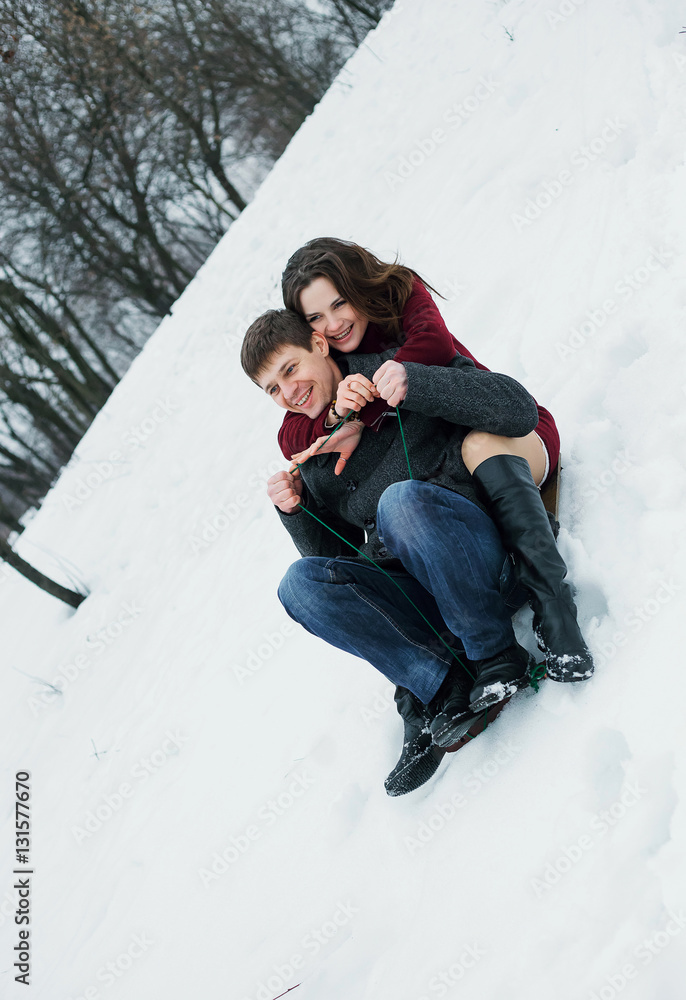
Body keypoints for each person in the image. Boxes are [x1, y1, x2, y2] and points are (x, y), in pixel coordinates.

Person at [241, 309, 552, 794]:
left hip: (475, 552)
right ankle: (439, 684)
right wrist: (299, 511)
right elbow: (339, 562)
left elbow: (516, 408)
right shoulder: (316, 449)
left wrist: (417, 383)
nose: (288, 392)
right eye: (272, 390)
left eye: (289, 369)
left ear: (320, 346)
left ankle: (494, 653)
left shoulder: (397, 368)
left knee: (399, 501)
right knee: (299, 584)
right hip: (418, 593)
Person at [277, 237, 593, 684]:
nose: (333, 324)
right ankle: (435, 683)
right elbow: (291, 435)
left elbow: (441, 352)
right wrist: (330, 422)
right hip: (443, 511)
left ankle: (554, 607)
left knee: (474, 447)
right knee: (387, 519)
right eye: (315, 318)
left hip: (503, 435)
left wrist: (368, 404)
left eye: (340, 303)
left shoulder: (404, 310)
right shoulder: (332, 377)